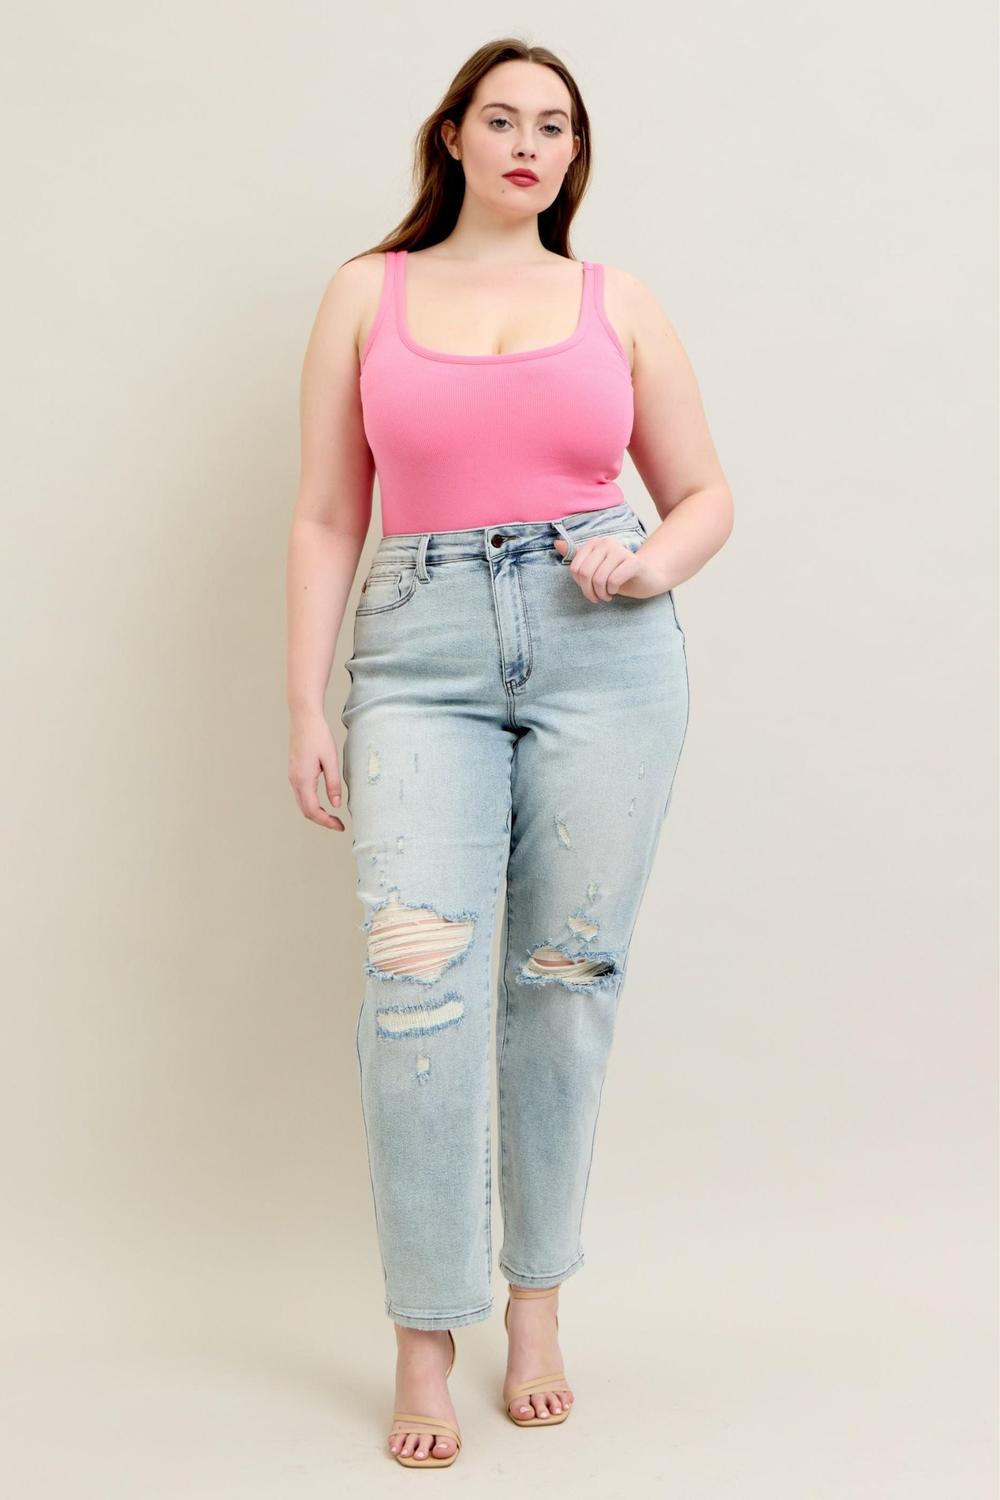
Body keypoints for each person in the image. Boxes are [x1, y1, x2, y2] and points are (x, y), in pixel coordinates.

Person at [286, 37, 734, 1469]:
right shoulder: (369, 292)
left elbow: (705, 494)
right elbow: (327, 514)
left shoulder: (619, 303)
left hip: (605, 653)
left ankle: (536, 1311)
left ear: (573, 153)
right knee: (416, 983)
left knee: (564, 982)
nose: (529, 143)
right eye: (503, 119)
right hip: (416, 655)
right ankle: (427, 1334)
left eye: (555, 125)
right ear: (456, 137)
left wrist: (649, 564)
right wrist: (306, 702)